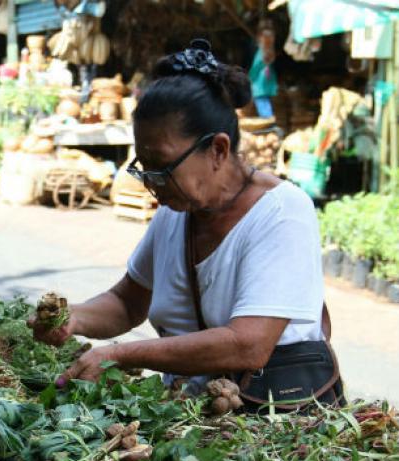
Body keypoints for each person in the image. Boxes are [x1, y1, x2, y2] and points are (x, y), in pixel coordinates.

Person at [29, 40, 343, 411]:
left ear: (219, 150)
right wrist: (72, 318)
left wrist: (120, 355)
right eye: (143, 167)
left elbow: (249, 344)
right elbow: (127, 302)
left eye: (161, 166)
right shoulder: (174, 213)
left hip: (276, 426)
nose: (151, 182)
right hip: (198, 422)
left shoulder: (282, 213)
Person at [249, 23, 278, 118]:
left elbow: (254, 71)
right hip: (264, 86)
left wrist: (249, 80)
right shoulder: (268, 52)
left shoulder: (262, 53)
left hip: (259, 87)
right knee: (265, 106)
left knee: (265, 111)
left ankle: (270, 127)